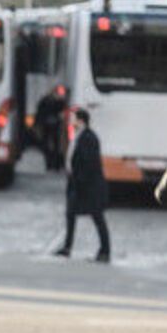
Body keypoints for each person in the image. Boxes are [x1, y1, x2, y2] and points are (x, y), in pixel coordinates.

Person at [54, 107, 110, 262]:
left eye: (73, 118)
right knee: (71, 214)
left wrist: (80, 180)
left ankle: (105, 251)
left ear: (81, 120)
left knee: (97, 216)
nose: (71, 121)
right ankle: (67, 247)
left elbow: (88, 163)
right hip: (77, 183)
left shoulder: (89, 137)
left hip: (88, 185)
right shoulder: (79, 136)